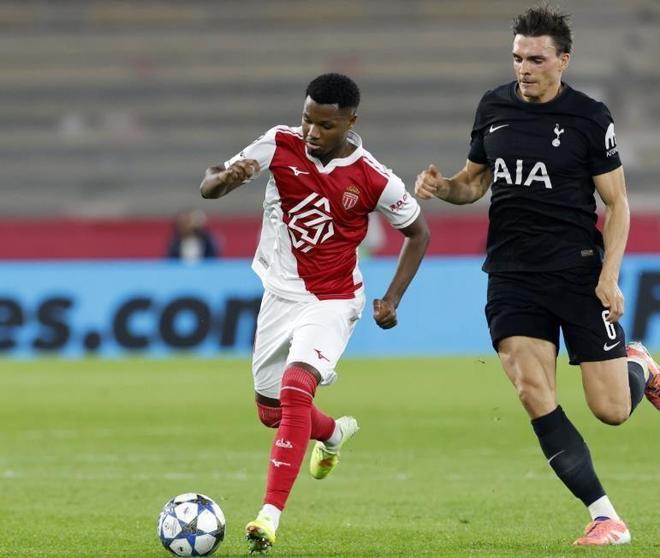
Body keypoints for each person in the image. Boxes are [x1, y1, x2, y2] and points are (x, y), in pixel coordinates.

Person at [415, 5, 659, 547]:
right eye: (518, 58)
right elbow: (474, 182)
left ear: (563, 60)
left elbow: (617, 204)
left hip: (576, 272)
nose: (524, 68)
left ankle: (638, 365)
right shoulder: (494, 107)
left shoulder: (589, 118)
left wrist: (610, 276)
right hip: (511, 275)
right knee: (532, 390)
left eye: (536, 59)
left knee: (612, 411)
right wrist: (443, 187)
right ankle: (605, 516)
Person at [200, 73, 429, 553]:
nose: (311, 132)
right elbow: (209, 187)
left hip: (333, 298)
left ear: (350, 122)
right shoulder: (278, 143)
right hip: (278, 295)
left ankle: (268, 516)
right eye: (307, 119)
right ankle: (333, 434)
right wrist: (227, 178)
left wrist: (393, 298)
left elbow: (418, 233)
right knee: (272, 413)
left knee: (295, 386)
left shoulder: (374, 178)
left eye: (325, 125)